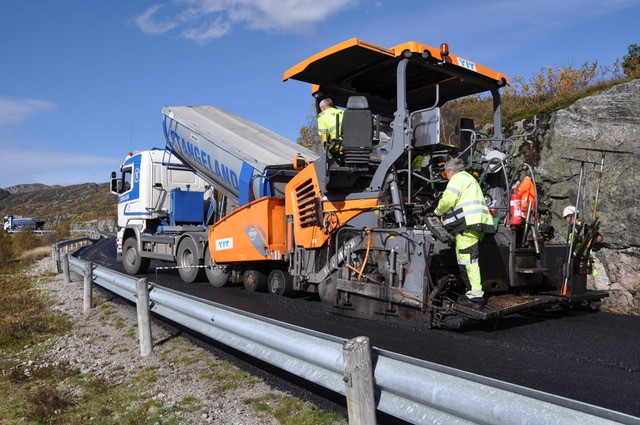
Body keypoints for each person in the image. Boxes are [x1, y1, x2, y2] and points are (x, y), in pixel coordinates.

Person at [433, 158, 495, 307]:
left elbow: (448, 200)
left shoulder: (457, 179)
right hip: (478, 223)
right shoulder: (470, 178)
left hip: (467, 225)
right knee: (468, 259)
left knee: (468, 261)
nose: (446, 176)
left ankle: (475, 296)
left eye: (446, 173)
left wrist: (437, 212)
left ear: (451, 171)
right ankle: (471, 292)